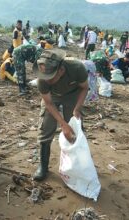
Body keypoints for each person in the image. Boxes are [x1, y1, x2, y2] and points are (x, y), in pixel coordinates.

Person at [32, 49, 88, 181]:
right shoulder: (42, 79)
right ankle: (43, 166)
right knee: (46, 128)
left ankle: (78, 165)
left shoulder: (77, 68)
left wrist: (77, 109)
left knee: (75, 130)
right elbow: (49, 103)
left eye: (50, 76)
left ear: (61, 70)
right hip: (53, 98)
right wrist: (63, 125)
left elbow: (85, 88)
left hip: (72, 95)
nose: (46, 79)